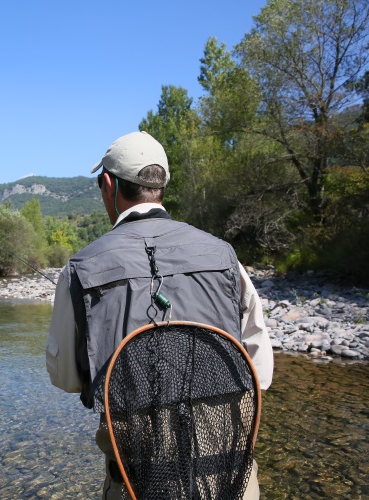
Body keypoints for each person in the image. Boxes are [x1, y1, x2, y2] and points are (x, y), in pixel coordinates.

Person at [46, 131, 274, 499]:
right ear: (162, 184)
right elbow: (259, 373)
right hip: (230, 481)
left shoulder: (79, 269)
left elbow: (67, 379)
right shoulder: (225, 257)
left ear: (108, 184)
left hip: (137, 484)